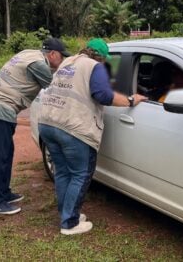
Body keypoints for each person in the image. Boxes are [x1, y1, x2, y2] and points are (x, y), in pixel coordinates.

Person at [38, 38, 147, 235]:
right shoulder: (94, 66)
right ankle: (69, 223)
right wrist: (131, 100)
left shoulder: (67, 63)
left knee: (62, 172)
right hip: (71, 128)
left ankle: (66, 213)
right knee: (80, 174)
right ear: (101, 57)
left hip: (48, 123)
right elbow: (103, 95)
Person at [0, 37, 70, 215]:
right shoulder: (39, 65)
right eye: (62, 57)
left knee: (6, 152)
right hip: (0, 109)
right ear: (52, 54)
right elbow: (55, 88)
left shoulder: (28, 53)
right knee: (0, 156)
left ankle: (4, 193)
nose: (62, 61)